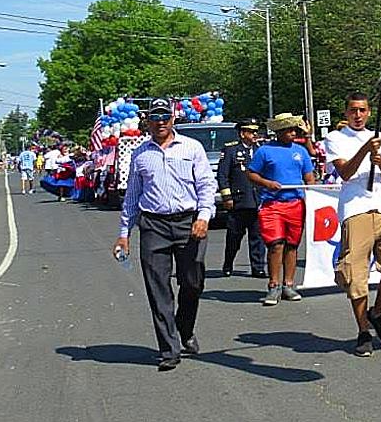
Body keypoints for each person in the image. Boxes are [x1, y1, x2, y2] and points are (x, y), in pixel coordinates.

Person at [111, 98, 216, 371]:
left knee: (192, 282)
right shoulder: (140, 154)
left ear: (173, 119)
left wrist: (204, 217)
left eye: (164, 116)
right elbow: (133, 196)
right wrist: (124, 233)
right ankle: (169, 349)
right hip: (153, 226)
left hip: (188, 223)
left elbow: (206, 185)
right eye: (155, 117)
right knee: (158, 290)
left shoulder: (192, 148)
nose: (160, 122)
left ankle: (185, 327)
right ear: (147, 121)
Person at [324, 92, 381, 358]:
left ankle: (377, 312)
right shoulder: (335, 138)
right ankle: (363, 330)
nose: (358, 115)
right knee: (356, 275)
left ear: (369, 112)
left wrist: (380, 159)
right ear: (346, 113)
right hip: (355, 210)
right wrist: (364, 150)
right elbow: (345, 172)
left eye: (362, 110)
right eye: (352, 111)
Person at [246, 113, 317, 305]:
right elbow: (251, 174)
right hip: (272, 204)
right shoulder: (265, 151)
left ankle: (289, 284)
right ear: (279, 132)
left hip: (295, 203)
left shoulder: (301, 151)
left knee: (292, 245)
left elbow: (309, 177)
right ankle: (273, 285)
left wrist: (314, 193)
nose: (293, 133)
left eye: (295, 130)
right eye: (289, 130)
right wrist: (266, 183)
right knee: (276, 245)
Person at [217, 119, 267, 279]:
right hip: (239, 200)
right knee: (234, 236)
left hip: (257, 200)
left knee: (257, 236)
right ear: (242, 133)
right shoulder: (231, 150)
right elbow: (223, 175)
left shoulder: (260, 150)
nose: (255, 135)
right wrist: (227, 196)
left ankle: (258, 267)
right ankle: (228, 263)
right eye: (251, 132)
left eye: (256, 132)